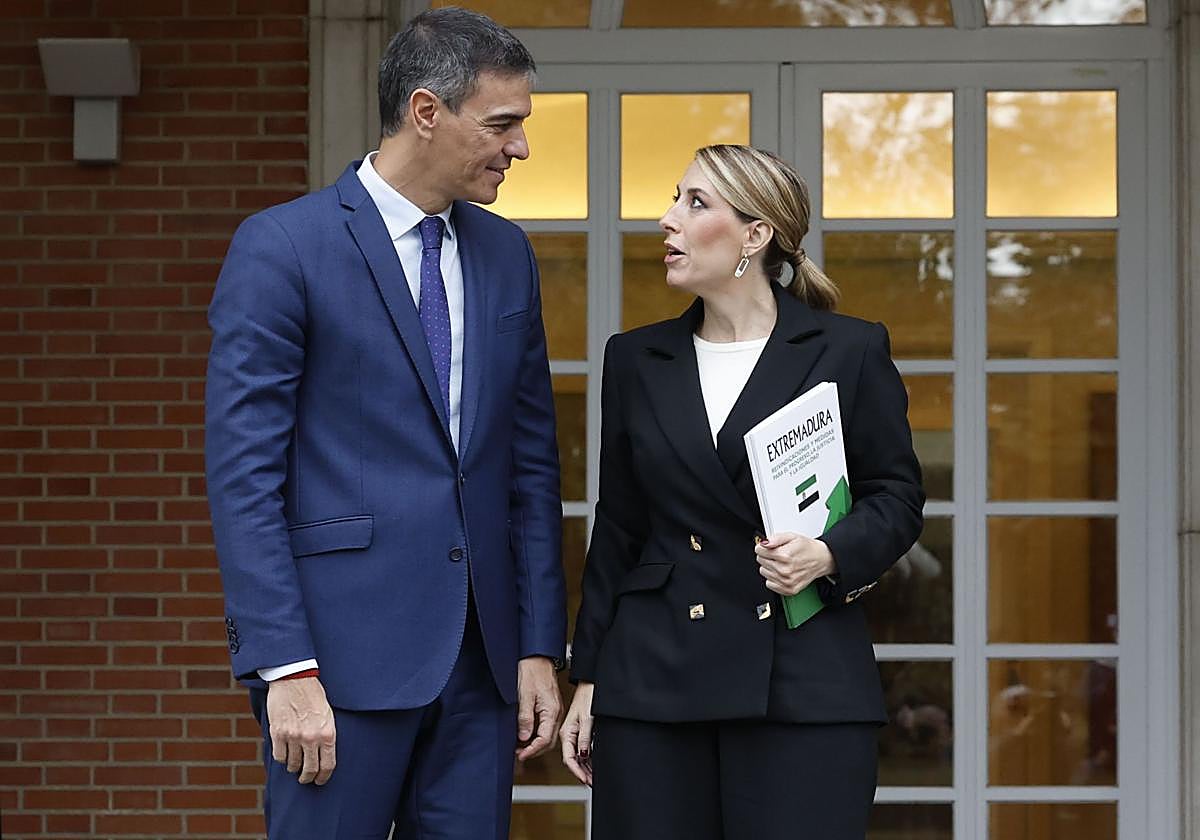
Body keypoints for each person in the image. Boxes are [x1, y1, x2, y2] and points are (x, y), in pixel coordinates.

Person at [205, 9, 566, 839]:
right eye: (503, 124)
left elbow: (529, 466)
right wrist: (284, 663)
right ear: (426, 111)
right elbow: (243, 477)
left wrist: (539, 646)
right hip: (335, 671)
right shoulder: (282, 248)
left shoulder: (507, 255)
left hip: (481, 673)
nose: (519, 149)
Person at [559, 144, 924, 840]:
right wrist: (592, 676)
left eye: (695, 204)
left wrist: (828, 554)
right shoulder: (635, 358)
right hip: (654, 680)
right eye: (675, 199)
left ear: (755, 236)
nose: (667, 220)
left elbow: (897, 495)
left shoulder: (847, 350)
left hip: (802, 681)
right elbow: (620, 528)